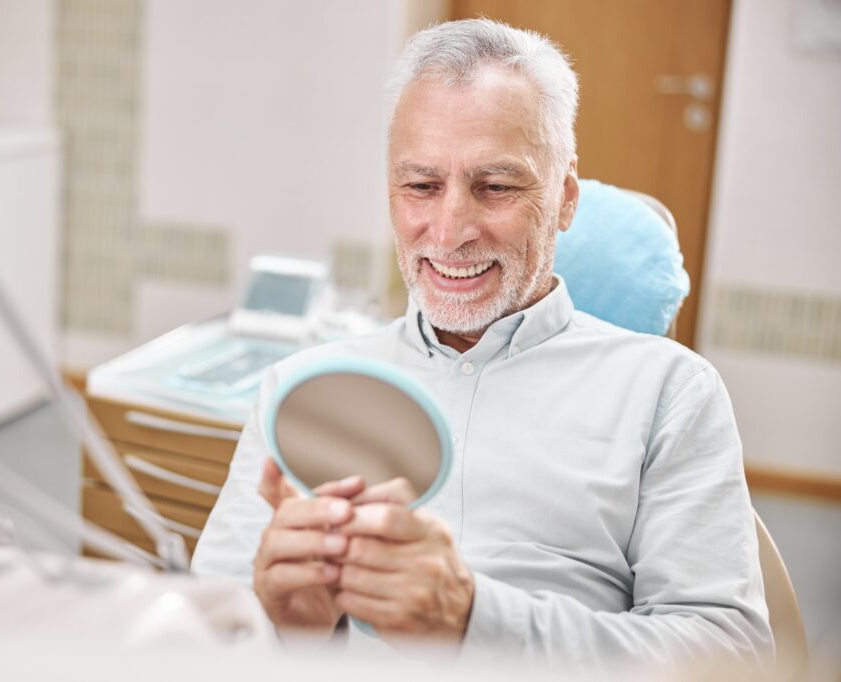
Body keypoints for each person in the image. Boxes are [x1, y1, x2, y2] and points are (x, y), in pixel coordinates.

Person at [191, 18, 773, 669]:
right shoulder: (305, 387)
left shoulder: (667, 391)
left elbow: (732, 657)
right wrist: (290, 629)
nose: (450, 230)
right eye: (421, 185)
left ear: (565, 200)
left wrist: (474, 621)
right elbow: (201, 633)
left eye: (495, 186)